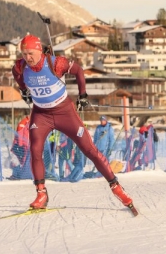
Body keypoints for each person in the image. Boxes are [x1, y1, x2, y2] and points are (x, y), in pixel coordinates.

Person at [12, 34, 134, 211]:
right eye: (24, 54)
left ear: (38, 50)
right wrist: (23, 90)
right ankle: (41, 193)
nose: (27, 58)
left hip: (64, 112)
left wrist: (82, 95)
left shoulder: (55, 63)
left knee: (89, 149)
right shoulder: (21, 66)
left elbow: (78, 70)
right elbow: (16, 75)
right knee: (35, 148)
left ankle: (116, 187)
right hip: (41, 114)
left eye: (30, 53)